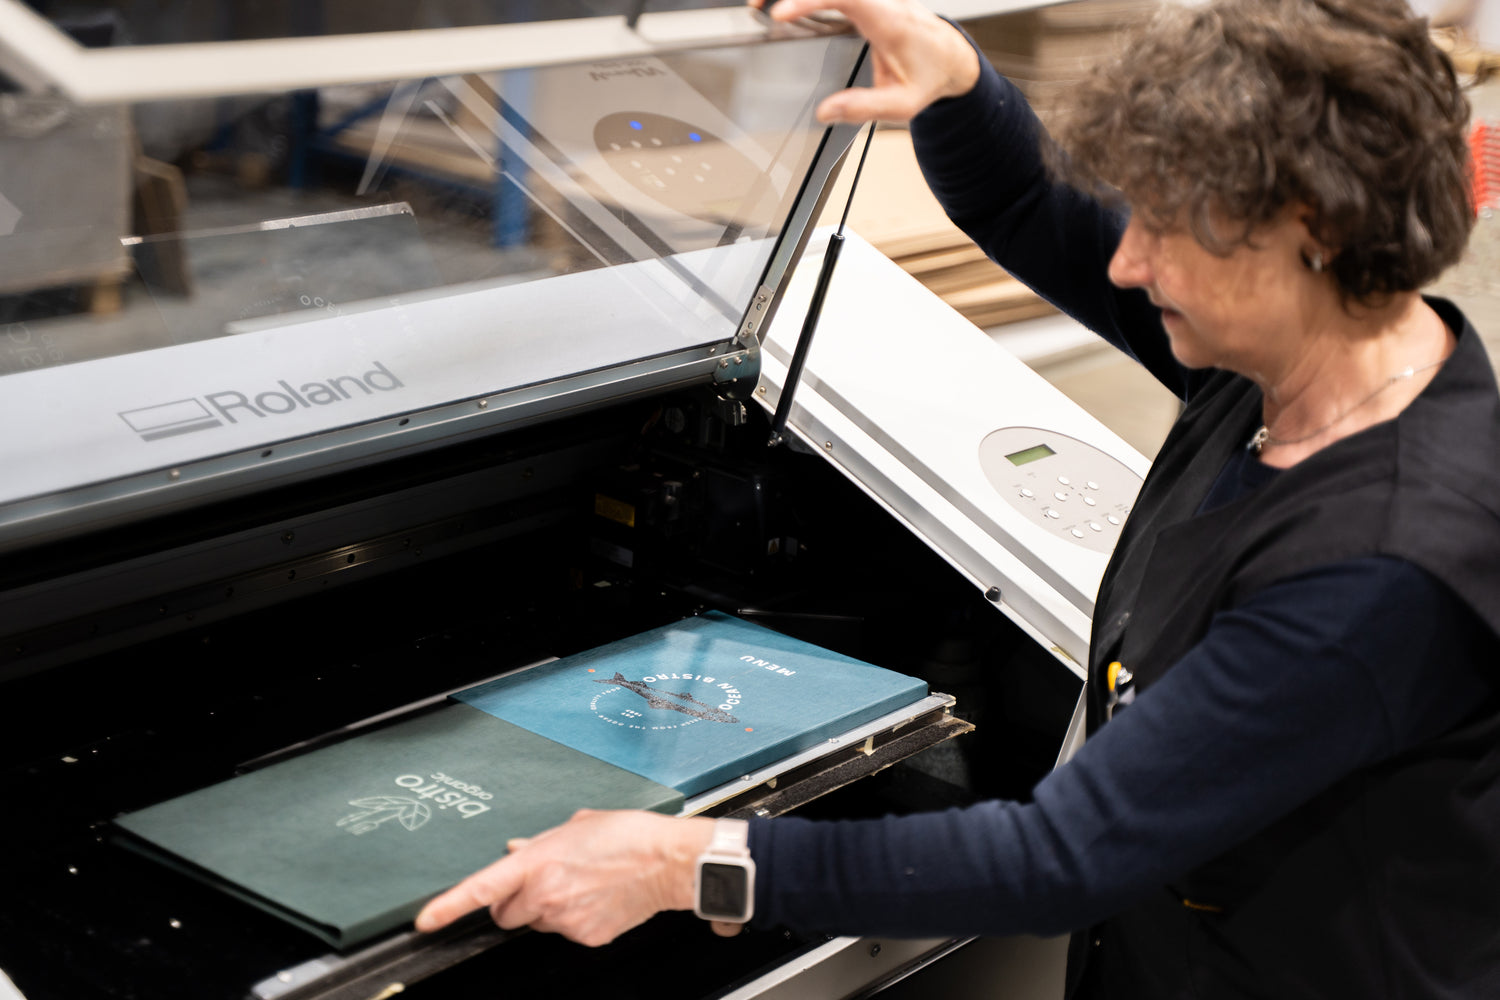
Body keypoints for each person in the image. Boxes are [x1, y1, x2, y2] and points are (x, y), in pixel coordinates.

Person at [417, 0, 1500, 994]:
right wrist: (955, 76)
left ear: (1308, 226)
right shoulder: (1313, 356)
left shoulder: (1380, 565)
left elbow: (1060, 855)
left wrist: (677, 862)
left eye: (1167, 225)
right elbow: (1038, 201)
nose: (1127, 264)